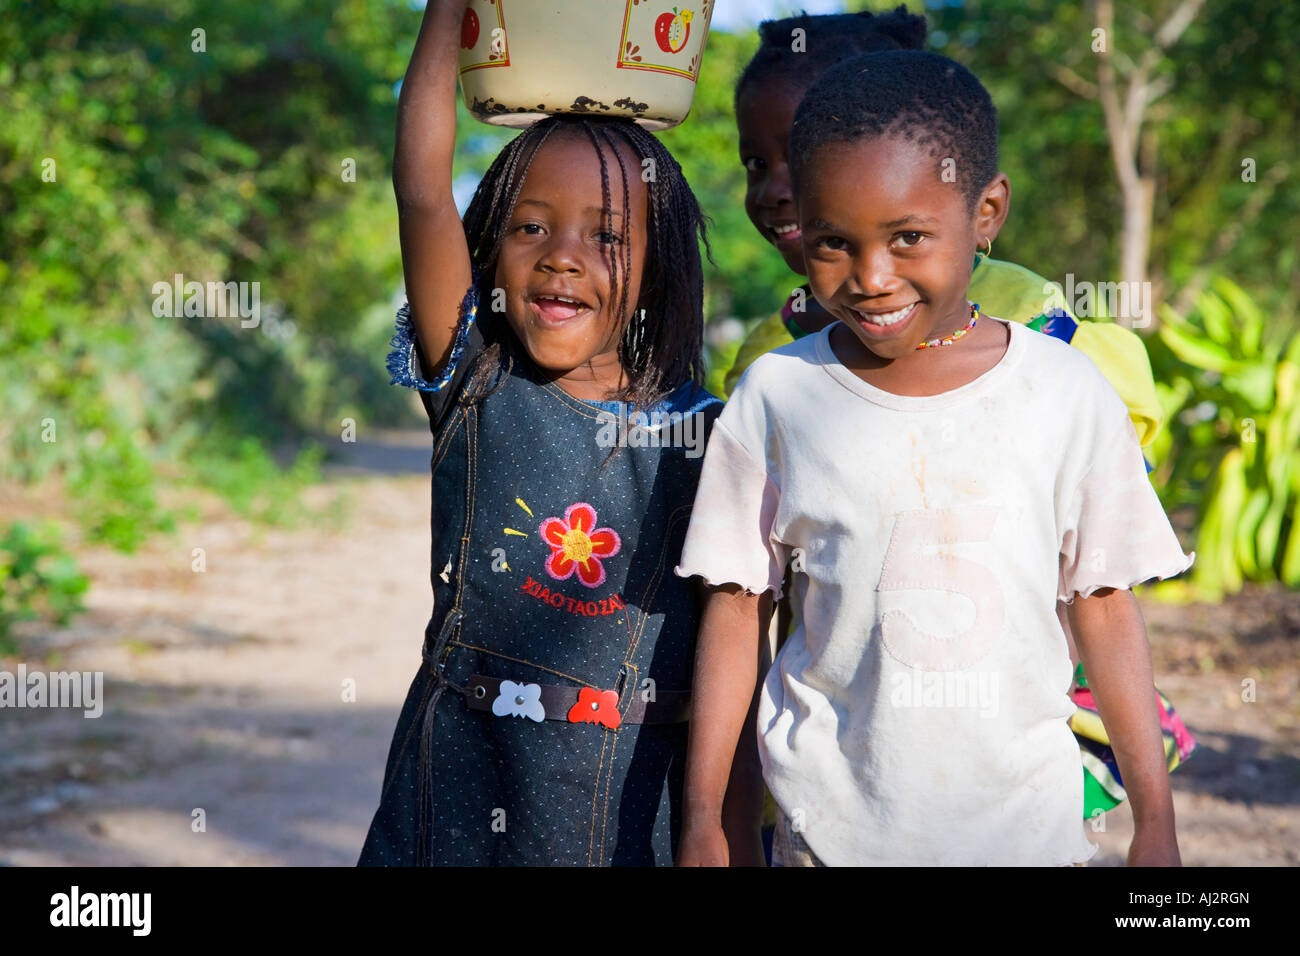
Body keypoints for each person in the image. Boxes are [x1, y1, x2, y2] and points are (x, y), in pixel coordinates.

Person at [675, 50, 1193, 866]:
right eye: (833, 242)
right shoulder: (777, 396)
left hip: (1028, 835)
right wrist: (706, 816)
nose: (872, 278)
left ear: (987, 212)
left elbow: (1102, 604)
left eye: (908, 237)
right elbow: (739, 611)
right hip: (829, 836)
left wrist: (1155, 823)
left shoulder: (1063, 391)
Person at [358, 0, 726, 866]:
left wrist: (715, 819)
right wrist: (447, 16)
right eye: (530, 227)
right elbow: (419, 184)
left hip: (631, 804)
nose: (562, 255)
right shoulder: (476, 380)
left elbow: (732, 651)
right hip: (457, 786)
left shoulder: (714, 437)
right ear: (488, 251)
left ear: (658, 266)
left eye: (606, 236)